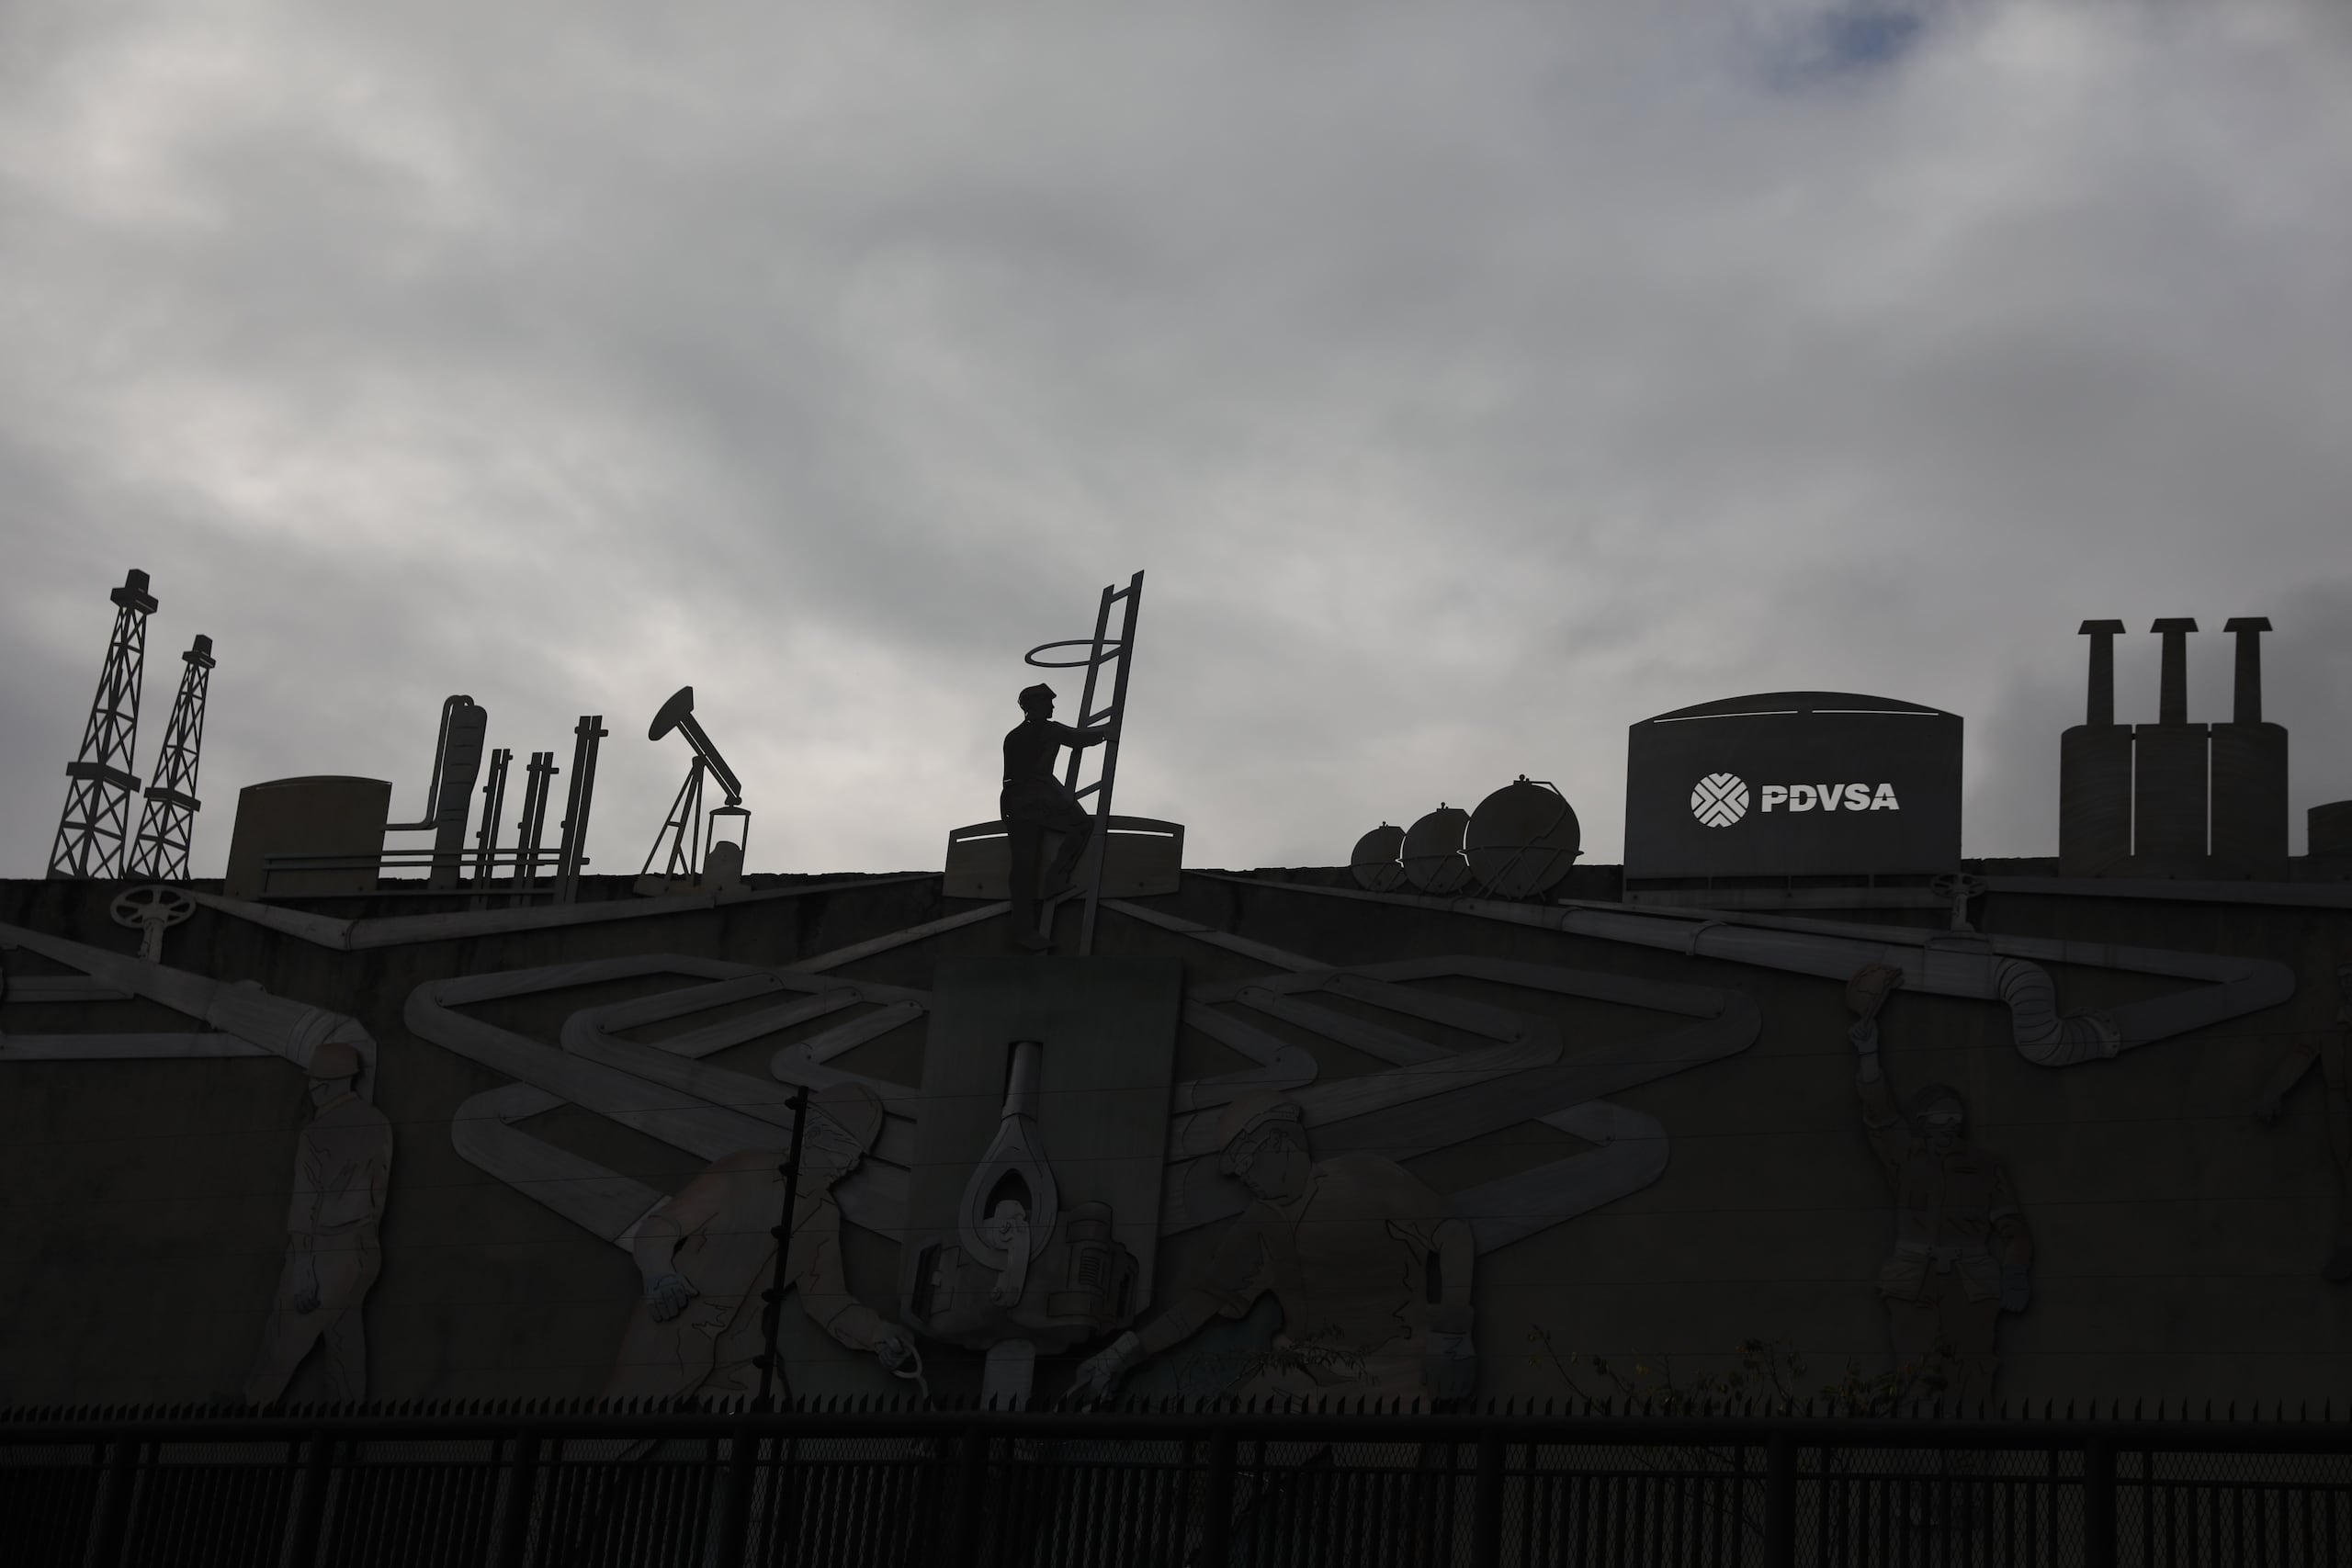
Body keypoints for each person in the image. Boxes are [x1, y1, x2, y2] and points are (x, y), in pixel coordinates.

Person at [1069, 1090, 1476, 1405]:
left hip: (1392, 1372)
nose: (1243, 1175)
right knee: (1225, 1469)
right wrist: (1124, 1353)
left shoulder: (1365, 1177)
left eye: (1247, 1160)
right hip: (1299, 1368)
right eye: (1236, 1167)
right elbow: (1202, 1302)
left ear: (1280, 1142)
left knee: (1374, 1501)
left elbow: (1452, 1233)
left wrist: (1452, 1334)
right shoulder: (1258, 1224)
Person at [605, 1081, 913, 1401]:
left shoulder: (823, 1216)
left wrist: (878, 1334)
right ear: (814, 1135)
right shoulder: (743, 1170)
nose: (851, 1165)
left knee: (763, 1434)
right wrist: (658, 1273)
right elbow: (662, 1226)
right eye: (845, 1153)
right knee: (615, 1435)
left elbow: (827, 1301)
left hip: (741, 1348)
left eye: (856, 1157)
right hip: (675, 1328)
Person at [1848, 964, 2031, 1408]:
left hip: (1971, 1282)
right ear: (1923, 1123)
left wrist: (2014, 1276)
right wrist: (1869, 1057)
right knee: (1912, 1371)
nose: (1947, 1127)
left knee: (1973, 1370)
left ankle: (1970, 1462)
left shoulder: (1985, 1166)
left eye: (1954, 1118)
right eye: (1937, 1118)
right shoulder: (1906, 1156)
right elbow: (1880, 1117)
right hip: (1914, 1279)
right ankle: (1913, 1461)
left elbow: (2014, 1230)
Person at [243, 1042, 394, 1406]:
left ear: (333, 1083)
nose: (312, 1089)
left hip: (324, 1250)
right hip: (364, 1248)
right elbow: (378, 1190)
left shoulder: (318, 1132)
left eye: (317, 1082)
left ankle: (250, 1412)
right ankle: (343, 1433)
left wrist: (304, 1268)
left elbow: (306, 1204)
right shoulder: (378, 1124)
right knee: (345, 1342)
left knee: (285, 1336)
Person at [2253, 957, 2352, 1280]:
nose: (2349, 982)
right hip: (2339, 1103)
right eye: (2345, 975)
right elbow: (2300, 1056)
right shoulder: (2328, 1028)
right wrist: (2273, 1092)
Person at [1001, 682, 1111, 952]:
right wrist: (1108, 732)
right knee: (1081, 825)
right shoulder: (1047, 730)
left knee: (1024, 864)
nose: (1052, 707)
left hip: (1016, 801)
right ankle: (1054, 880)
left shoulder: (1013, 735)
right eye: (1047, 703)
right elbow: (1077, 738)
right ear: (1032, 706)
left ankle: (1026, 925)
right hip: (1035, 799)